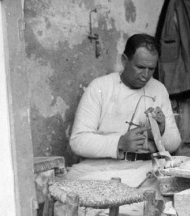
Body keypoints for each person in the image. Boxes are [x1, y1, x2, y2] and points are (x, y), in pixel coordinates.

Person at [70, 33, 181, 161]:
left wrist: (161, 132)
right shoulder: (100, 87)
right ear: (124, 60)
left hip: (145, 168)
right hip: (101, 169)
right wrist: (120, 143)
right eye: (140, 67)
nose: (146, 75)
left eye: (151, 69)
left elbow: (174, 144)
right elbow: (78, 141)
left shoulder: (158, 89)